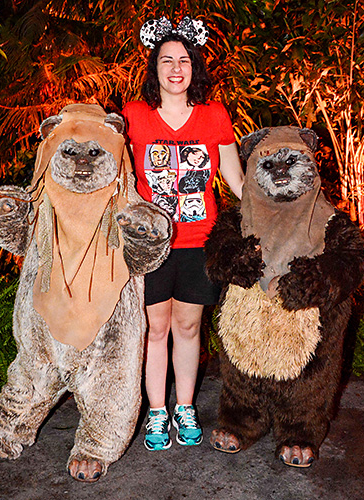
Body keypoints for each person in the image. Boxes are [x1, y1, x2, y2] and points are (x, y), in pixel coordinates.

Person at [122, 16, 244, 452]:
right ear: (154, 69)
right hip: (150, 246)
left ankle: (185, 405)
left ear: (195, 68)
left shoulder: (214, 116)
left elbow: (236, 180)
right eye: (167, 60)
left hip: (199, 242)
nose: (176, 68)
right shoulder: (133, 116)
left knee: (189, 327)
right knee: (156, 328)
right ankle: (157, 410)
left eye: (185, 60)